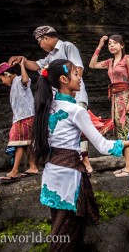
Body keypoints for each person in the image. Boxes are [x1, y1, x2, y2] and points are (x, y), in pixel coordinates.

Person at [31, 59, 129, 251]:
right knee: (68, 236)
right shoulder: (76, 110)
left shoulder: (47, 106)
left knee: (59, 230)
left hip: (51, 175)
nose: (79, 77)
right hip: (69, 179)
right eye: (75, 74)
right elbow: (104, 146)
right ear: (64, 79)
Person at [8, 26, 93, 174]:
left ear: (46, 38)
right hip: (60, 100)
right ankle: (67, 160)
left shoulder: (67, 47)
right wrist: (23, 60)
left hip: (75, 96)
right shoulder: (49, 57)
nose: (40, 46)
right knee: (64, 130)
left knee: (80, 130)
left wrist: (70, 89)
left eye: (40, 42)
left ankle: (85, 162)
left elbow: (78, 69)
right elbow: (36, 66)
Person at [89, 35, 129, 177]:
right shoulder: (110, 62)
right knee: (119, 132)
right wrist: (100, 44)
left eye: (115, 43)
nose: (111, 46)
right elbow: (92, 64)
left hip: (125, 96)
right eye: (109, 44)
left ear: (122, 45)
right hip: (115, 99)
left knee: (126, 130)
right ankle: (127, 165)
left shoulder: (127, 59)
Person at [0, 59, 38, 183]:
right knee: (26, 143)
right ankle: (33, 166)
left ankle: (15, 171)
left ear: (7, 74)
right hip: (22, 117)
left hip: (25, 117)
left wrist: (22, 65)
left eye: (1, 78)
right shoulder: (14, 84)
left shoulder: (18, 80)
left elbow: (25, 80)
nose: (2, 82)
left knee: (18, 143)